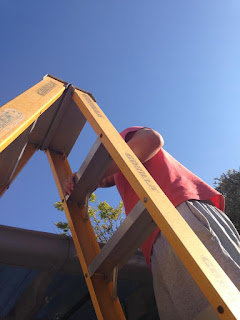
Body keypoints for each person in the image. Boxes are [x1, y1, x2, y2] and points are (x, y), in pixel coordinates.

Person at [64, 126, 240, 320]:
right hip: (156, 238)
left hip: (176, 210)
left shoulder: (121, 139)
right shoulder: (124, 177)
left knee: (228, 296)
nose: (101, 178)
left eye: (102, 163)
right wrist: (87, 179)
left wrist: (93, 174)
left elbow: (151, 139)